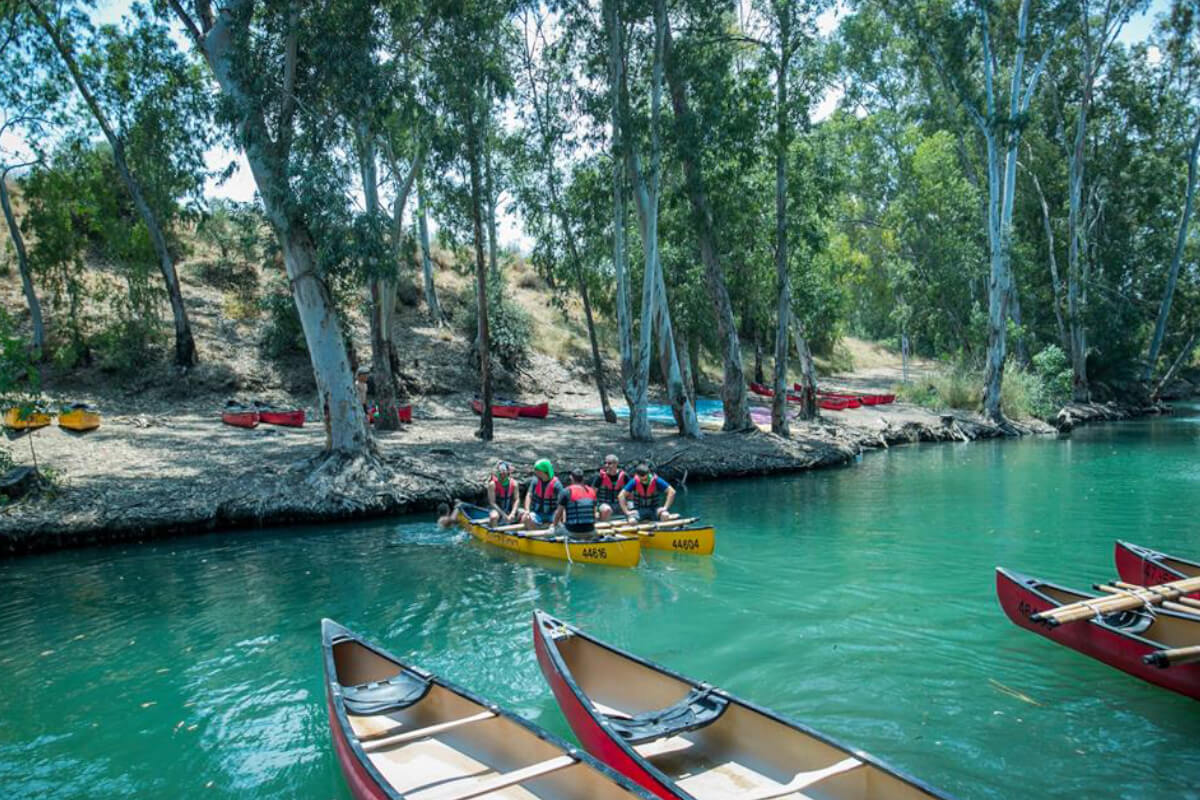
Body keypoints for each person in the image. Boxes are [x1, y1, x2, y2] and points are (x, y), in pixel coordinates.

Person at [554, 469, 598, 537]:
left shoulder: (566, 491)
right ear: (583, 478)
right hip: (590, 530)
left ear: (571, 478)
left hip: (572, 531)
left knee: (555, 530)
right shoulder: (592, 491)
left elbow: (558, 513)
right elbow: (594, 513)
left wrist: (554, 525)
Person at [521, 459, 563, 529]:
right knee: (525, 518)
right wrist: (527, 510)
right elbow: (529, 495)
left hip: (552, 514)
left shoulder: (557, 484)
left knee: (560, 521)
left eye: (536, 469)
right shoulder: (535, 481)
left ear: (542, 471)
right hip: (537, 513)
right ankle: (535, 536)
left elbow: (562, 503)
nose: (535, 471)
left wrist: (560, 517)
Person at [591, 454, 627, 522]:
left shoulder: (624, 476)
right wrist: (594, 510)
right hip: (603, 503)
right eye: (605, 463)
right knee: (607, 510)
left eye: (609, 463)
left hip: (619, 504)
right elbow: (592, 494)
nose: (606, 465)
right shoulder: (600, 477)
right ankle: (604, 528)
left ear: (616, 464)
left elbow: (631, 493)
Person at [487, 461, 521, 525]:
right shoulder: (492, 484)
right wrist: (503, 515)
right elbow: (492, 503)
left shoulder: (514, 484)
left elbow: (517, 499)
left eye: (504, 473)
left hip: (509, 509)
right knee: (494, 517)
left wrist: (512, 513)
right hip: (497, 509)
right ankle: (494, 532)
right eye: (500, 473)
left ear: (508, 472)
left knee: (523, 514)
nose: (502, 475)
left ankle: (517, 532)